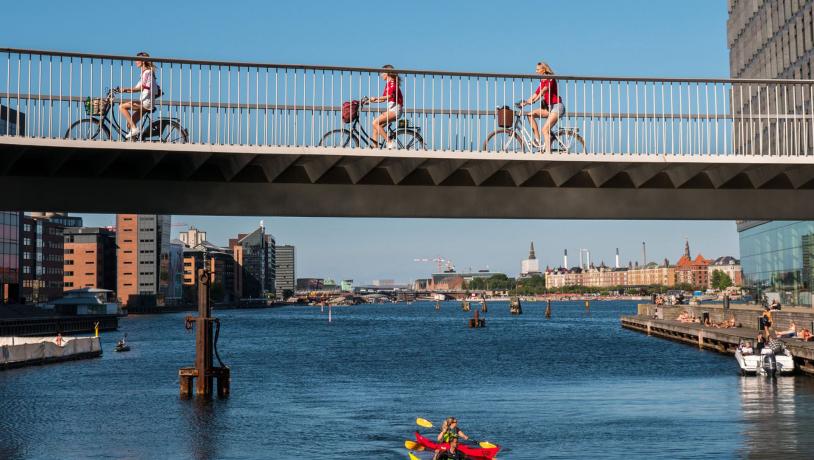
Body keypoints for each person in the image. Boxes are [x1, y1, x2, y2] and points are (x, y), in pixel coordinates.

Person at [518, 61, 565, 153]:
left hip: (557, 107)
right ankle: (537, 140)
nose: (536, 71)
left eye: (538, 69)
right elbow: (536, 93)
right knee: (530, 114)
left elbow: (544, 91)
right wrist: (526, 102)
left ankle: (548, 153)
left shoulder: (550, 78)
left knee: (545, 129)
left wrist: (534, 101)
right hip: (549, 108)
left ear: (544, 69)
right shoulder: (542, 81)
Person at [118, 52, 159, 140]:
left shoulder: (147, 72)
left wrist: (125, 89)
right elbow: (137, 88)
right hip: (145, 102)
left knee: (122, 107)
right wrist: (124, 90)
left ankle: (134, 129)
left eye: (137, 60)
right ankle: (134, 141)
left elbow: (140, 88)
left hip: (146, 103)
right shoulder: (145, 73)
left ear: (143, 61)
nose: (136, 62)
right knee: (130, 124)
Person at [365, 64, 403, 149]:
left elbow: (389, 96)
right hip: (392, 109)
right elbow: (383, 99)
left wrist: (376, 98)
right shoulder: (388, 84)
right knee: (376, 127)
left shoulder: (392, 82)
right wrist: (371, 101)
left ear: (387, 73)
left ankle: (389, 142)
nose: (381, 75)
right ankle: (375, 147)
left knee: (375, 122)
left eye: (382, 73)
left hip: (395, 110)